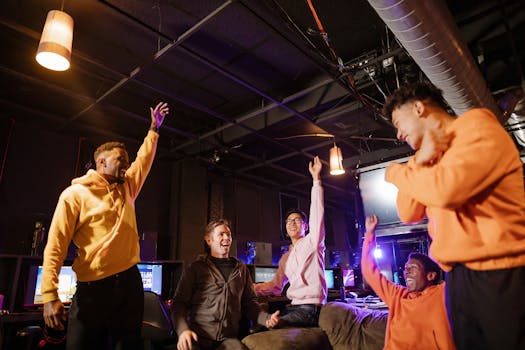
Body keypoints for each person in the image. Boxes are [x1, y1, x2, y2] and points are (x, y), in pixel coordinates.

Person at [383, 81, 525, 349]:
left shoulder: (476, 126)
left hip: (500, 271)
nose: (399, 134)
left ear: (418, 108)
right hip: (458, 278)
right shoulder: (427, 159)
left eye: (398, 123)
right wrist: (419, 159)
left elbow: (447, 191)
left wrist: (396, 172)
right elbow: (408, 212)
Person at [41, 102, 170, 350]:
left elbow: (143, 160)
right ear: (101, 162)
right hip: (94, 288)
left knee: (128, 345)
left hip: (130, 283)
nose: (126, 164)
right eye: (120, 159)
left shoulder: (127, 187)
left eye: (127, 160)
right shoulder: (74, 194)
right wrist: (49, 295)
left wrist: (153, 129)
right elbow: (55, 246)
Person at [172, 219, 279, 350]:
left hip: (228, 340)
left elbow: (250, 303)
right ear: (209, 240)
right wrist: (183, 331)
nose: (227, 238)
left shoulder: (241, 269)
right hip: (197, 337)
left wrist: (266, 318)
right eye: (221, 234)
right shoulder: (195, 269)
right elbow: (179, 303)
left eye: (228, 234)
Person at [362, 215, 455, 349]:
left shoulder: (442, 293)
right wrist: (370, 234)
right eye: (406, 268)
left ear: (430, 276)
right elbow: (370, 272)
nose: (406, 271)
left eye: (413, 268)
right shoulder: (397, 296)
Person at [254, 156, 326, 327]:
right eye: (288, 221)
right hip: (293, 307)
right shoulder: (285, 258)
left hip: (310, 309)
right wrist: (248, 287)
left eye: (297, 220)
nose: (292, 223)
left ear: (306, 226)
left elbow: (317, 212)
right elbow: (276, 286)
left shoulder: (312, 242)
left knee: (269, 328)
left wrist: (316, 180)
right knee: (256, 325)